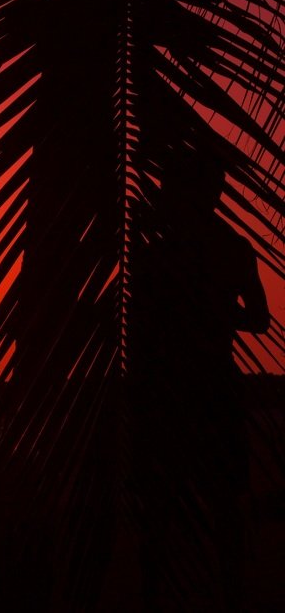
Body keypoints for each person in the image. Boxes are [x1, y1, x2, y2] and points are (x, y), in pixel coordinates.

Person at [129, 153, 270, 612]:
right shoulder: (233, 247)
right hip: (210, 386)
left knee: (166, 508)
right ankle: (228, 595)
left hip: (176, 391)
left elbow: (140, 328)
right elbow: (259, 318)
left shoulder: (157, 252)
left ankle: (163, 595)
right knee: (219, 505)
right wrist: (219, 313)